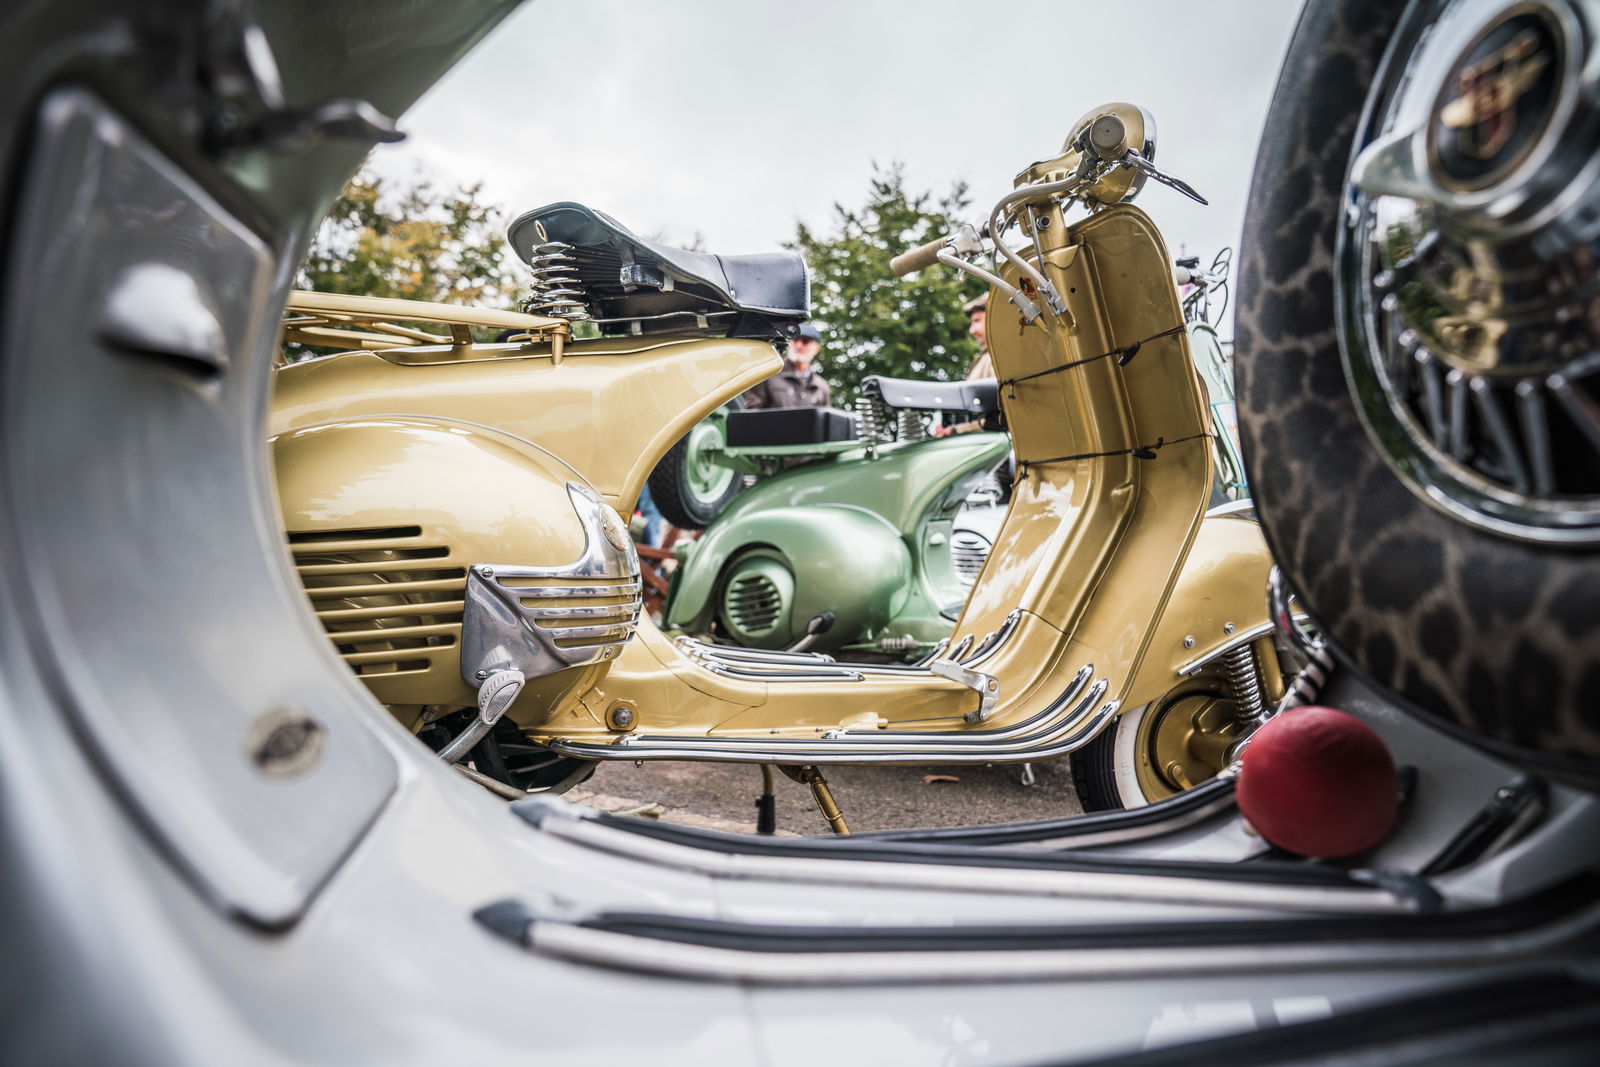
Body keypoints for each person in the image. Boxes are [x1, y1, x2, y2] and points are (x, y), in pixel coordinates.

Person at [742, 322, 832, 408]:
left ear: (816, 348)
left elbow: (824, 421)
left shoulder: (821, 387)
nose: (799, 345)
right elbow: (751, 412)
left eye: (805, 341)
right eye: (795, 340)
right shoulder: (769, 374)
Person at [964, 293, 992, 380]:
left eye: (977, 320)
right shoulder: (982, 359)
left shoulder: (999, 357)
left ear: (993, 319)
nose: (972, 330)